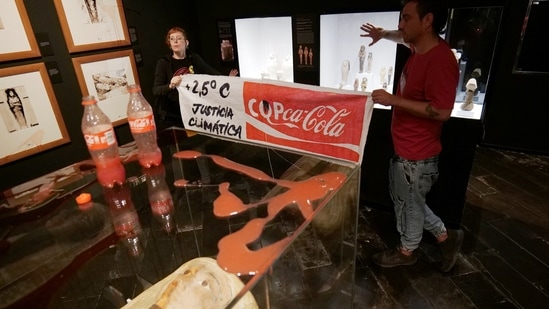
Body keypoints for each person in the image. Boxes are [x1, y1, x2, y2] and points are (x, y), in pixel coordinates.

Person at [359, 0, 463, 273]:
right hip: (406, 148)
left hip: (418, 154)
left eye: (406, 18)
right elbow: (401, 38)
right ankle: (445, 237)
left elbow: (441, 111)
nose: (400, 25)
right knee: (406, 201)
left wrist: (394, 100)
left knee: (411, 206)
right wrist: (383, 35)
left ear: (427, 20)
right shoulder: (418, 47)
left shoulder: (440, 60)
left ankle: (407, 251)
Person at [152, 27, 238, 129]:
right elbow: (156, 90)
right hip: (173, 116)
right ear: (169, 44)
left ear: (186, 43)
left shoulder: (193, 58)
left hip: (193, 112)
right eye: (172, 39)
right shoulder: (164, 63)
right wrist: (170, 85)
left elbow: (211, 73)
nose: (175, 41)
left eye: (179, 38)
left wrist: (227, 80)